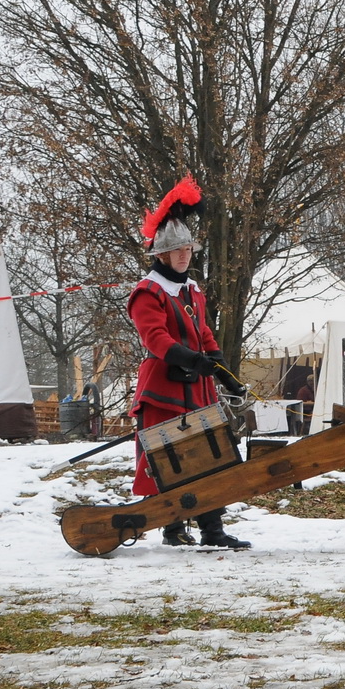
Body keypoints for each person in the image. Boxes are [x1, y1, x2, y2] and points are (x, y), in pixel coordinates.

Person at [130, 175, 251, 549]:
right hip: (164, 385)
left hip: (197, 388)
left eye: (188, 249)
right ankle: (172, 526)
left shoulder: (193, 290)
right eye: (177, 250)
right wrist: (193, 360)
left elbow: (205, 335)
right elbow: (156, 339)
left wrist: (223, 371)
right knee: (172, 459)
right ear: (161, 255)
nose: (184, 255)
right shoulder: (147, 292)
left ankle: (212, 530)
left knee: (209, 455)